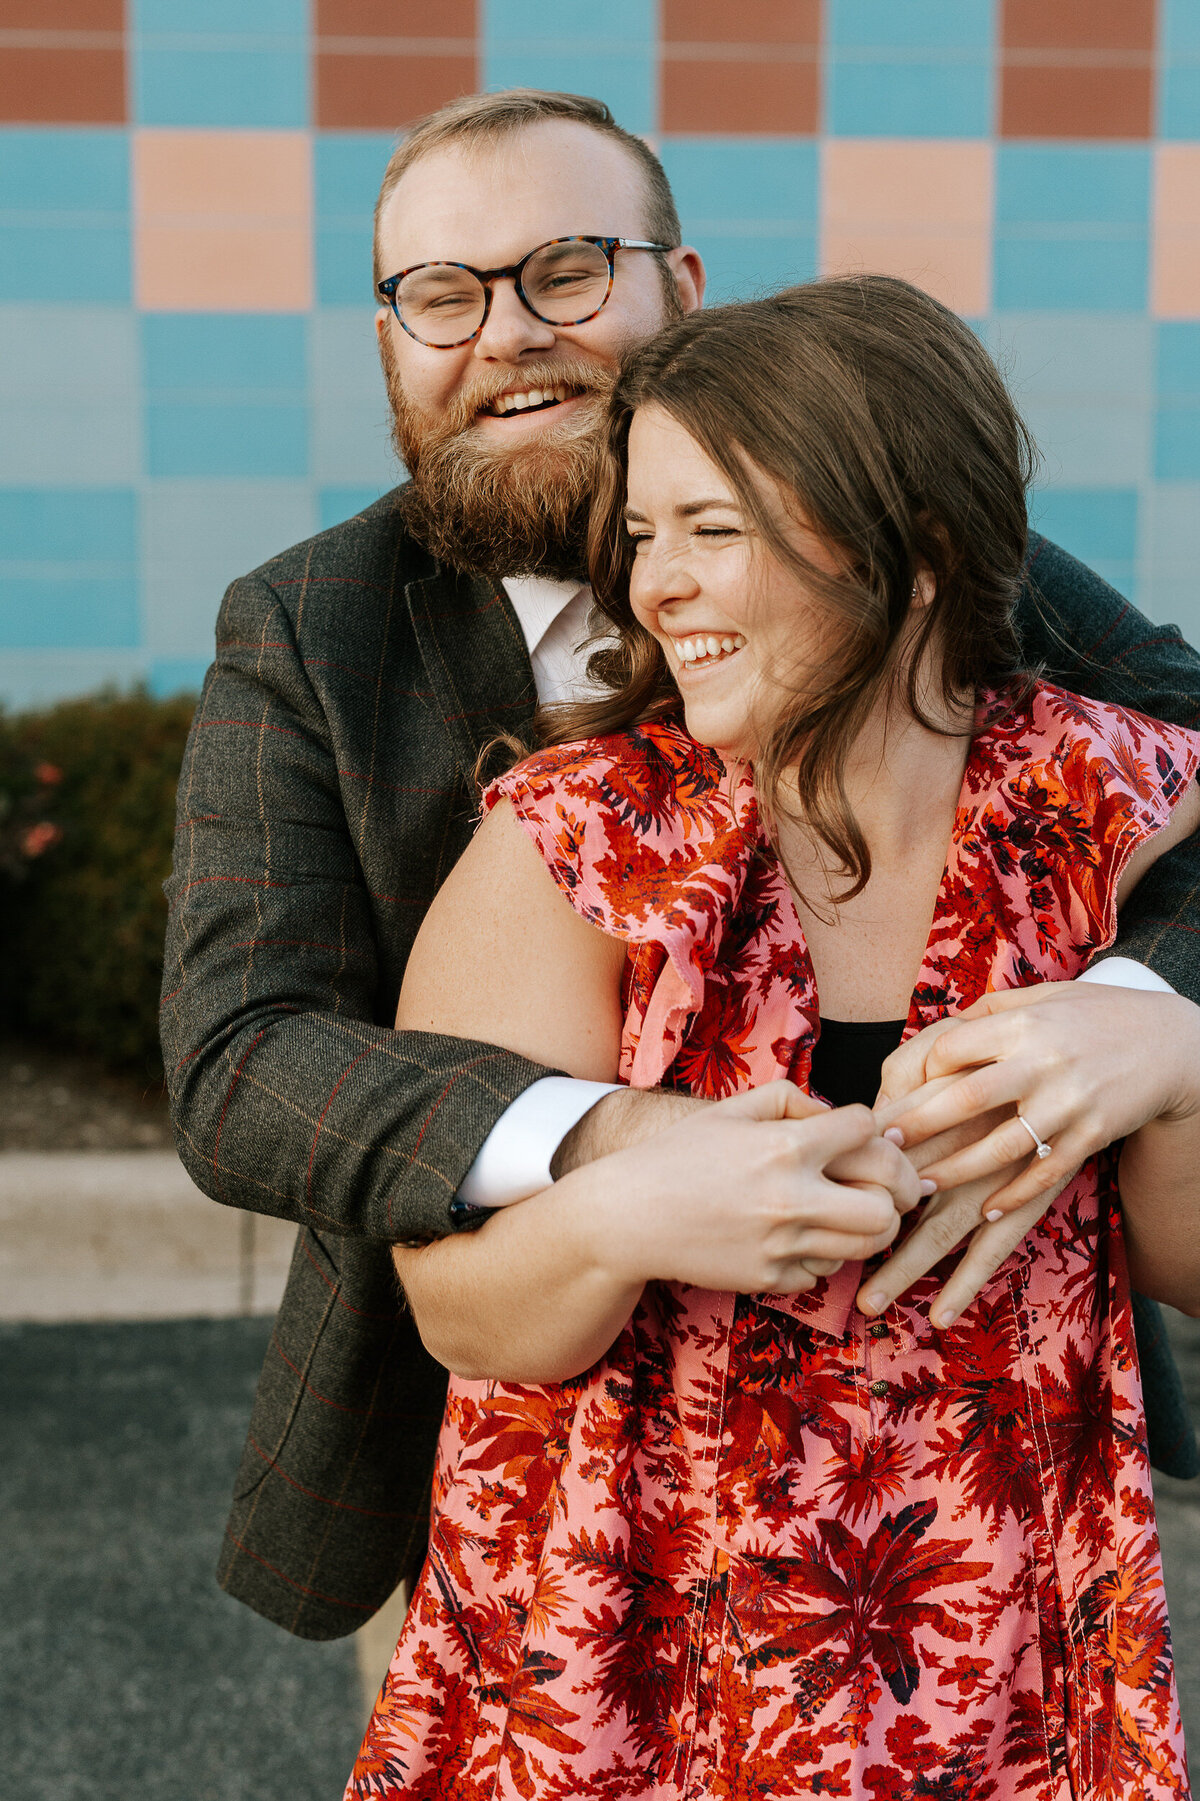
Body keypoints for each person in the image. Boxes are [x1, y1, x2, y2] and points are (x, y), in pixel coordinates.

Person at [160, 89, 1200, 1644]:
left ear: (680, 294)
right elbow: (244, 1055)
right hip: (520, 1482)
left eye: (565, 270)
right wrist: (623, 1144)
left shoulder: (888, 543)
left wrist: (1140, 1002)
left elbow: (1184, 759)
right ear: (392, 339)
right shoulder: (316, 626)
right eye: (441, 295)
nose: (504, 333)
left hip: (987, 1489)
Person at [346, 277, 1199, 1799]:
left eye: (712, 529)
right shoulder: (576, 843)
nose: (654, 585)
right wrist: (616, 1213)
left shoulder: (1108, 801)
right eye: (644, 533)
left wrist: (1174, 1047)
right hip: (626, 1656)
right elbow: (463, 1316)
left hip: (994, 1655)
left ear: (917, 548)